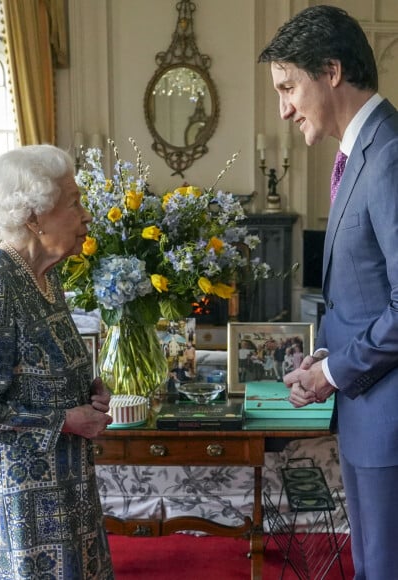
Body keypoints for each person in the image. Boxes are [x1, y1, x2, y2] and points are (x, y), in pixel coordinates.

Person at [259, 6, 398, 578]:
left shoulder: (389, 157)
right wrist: (325, 358)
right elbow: (365, 298)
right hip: (369, 410)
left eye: (289, 87)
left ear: (332, 71)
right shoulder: (357, 155)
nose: (285, 108)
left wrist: (334, 374)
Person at [0, 145, 115, 579]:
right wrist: (65, 420)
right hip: (24, 506)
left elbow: (40, 368)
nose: (86, 216)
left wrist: (89, 390)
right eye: (74, 203)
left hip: (68, 489)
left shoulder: (46, 275)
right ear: (34, 217)